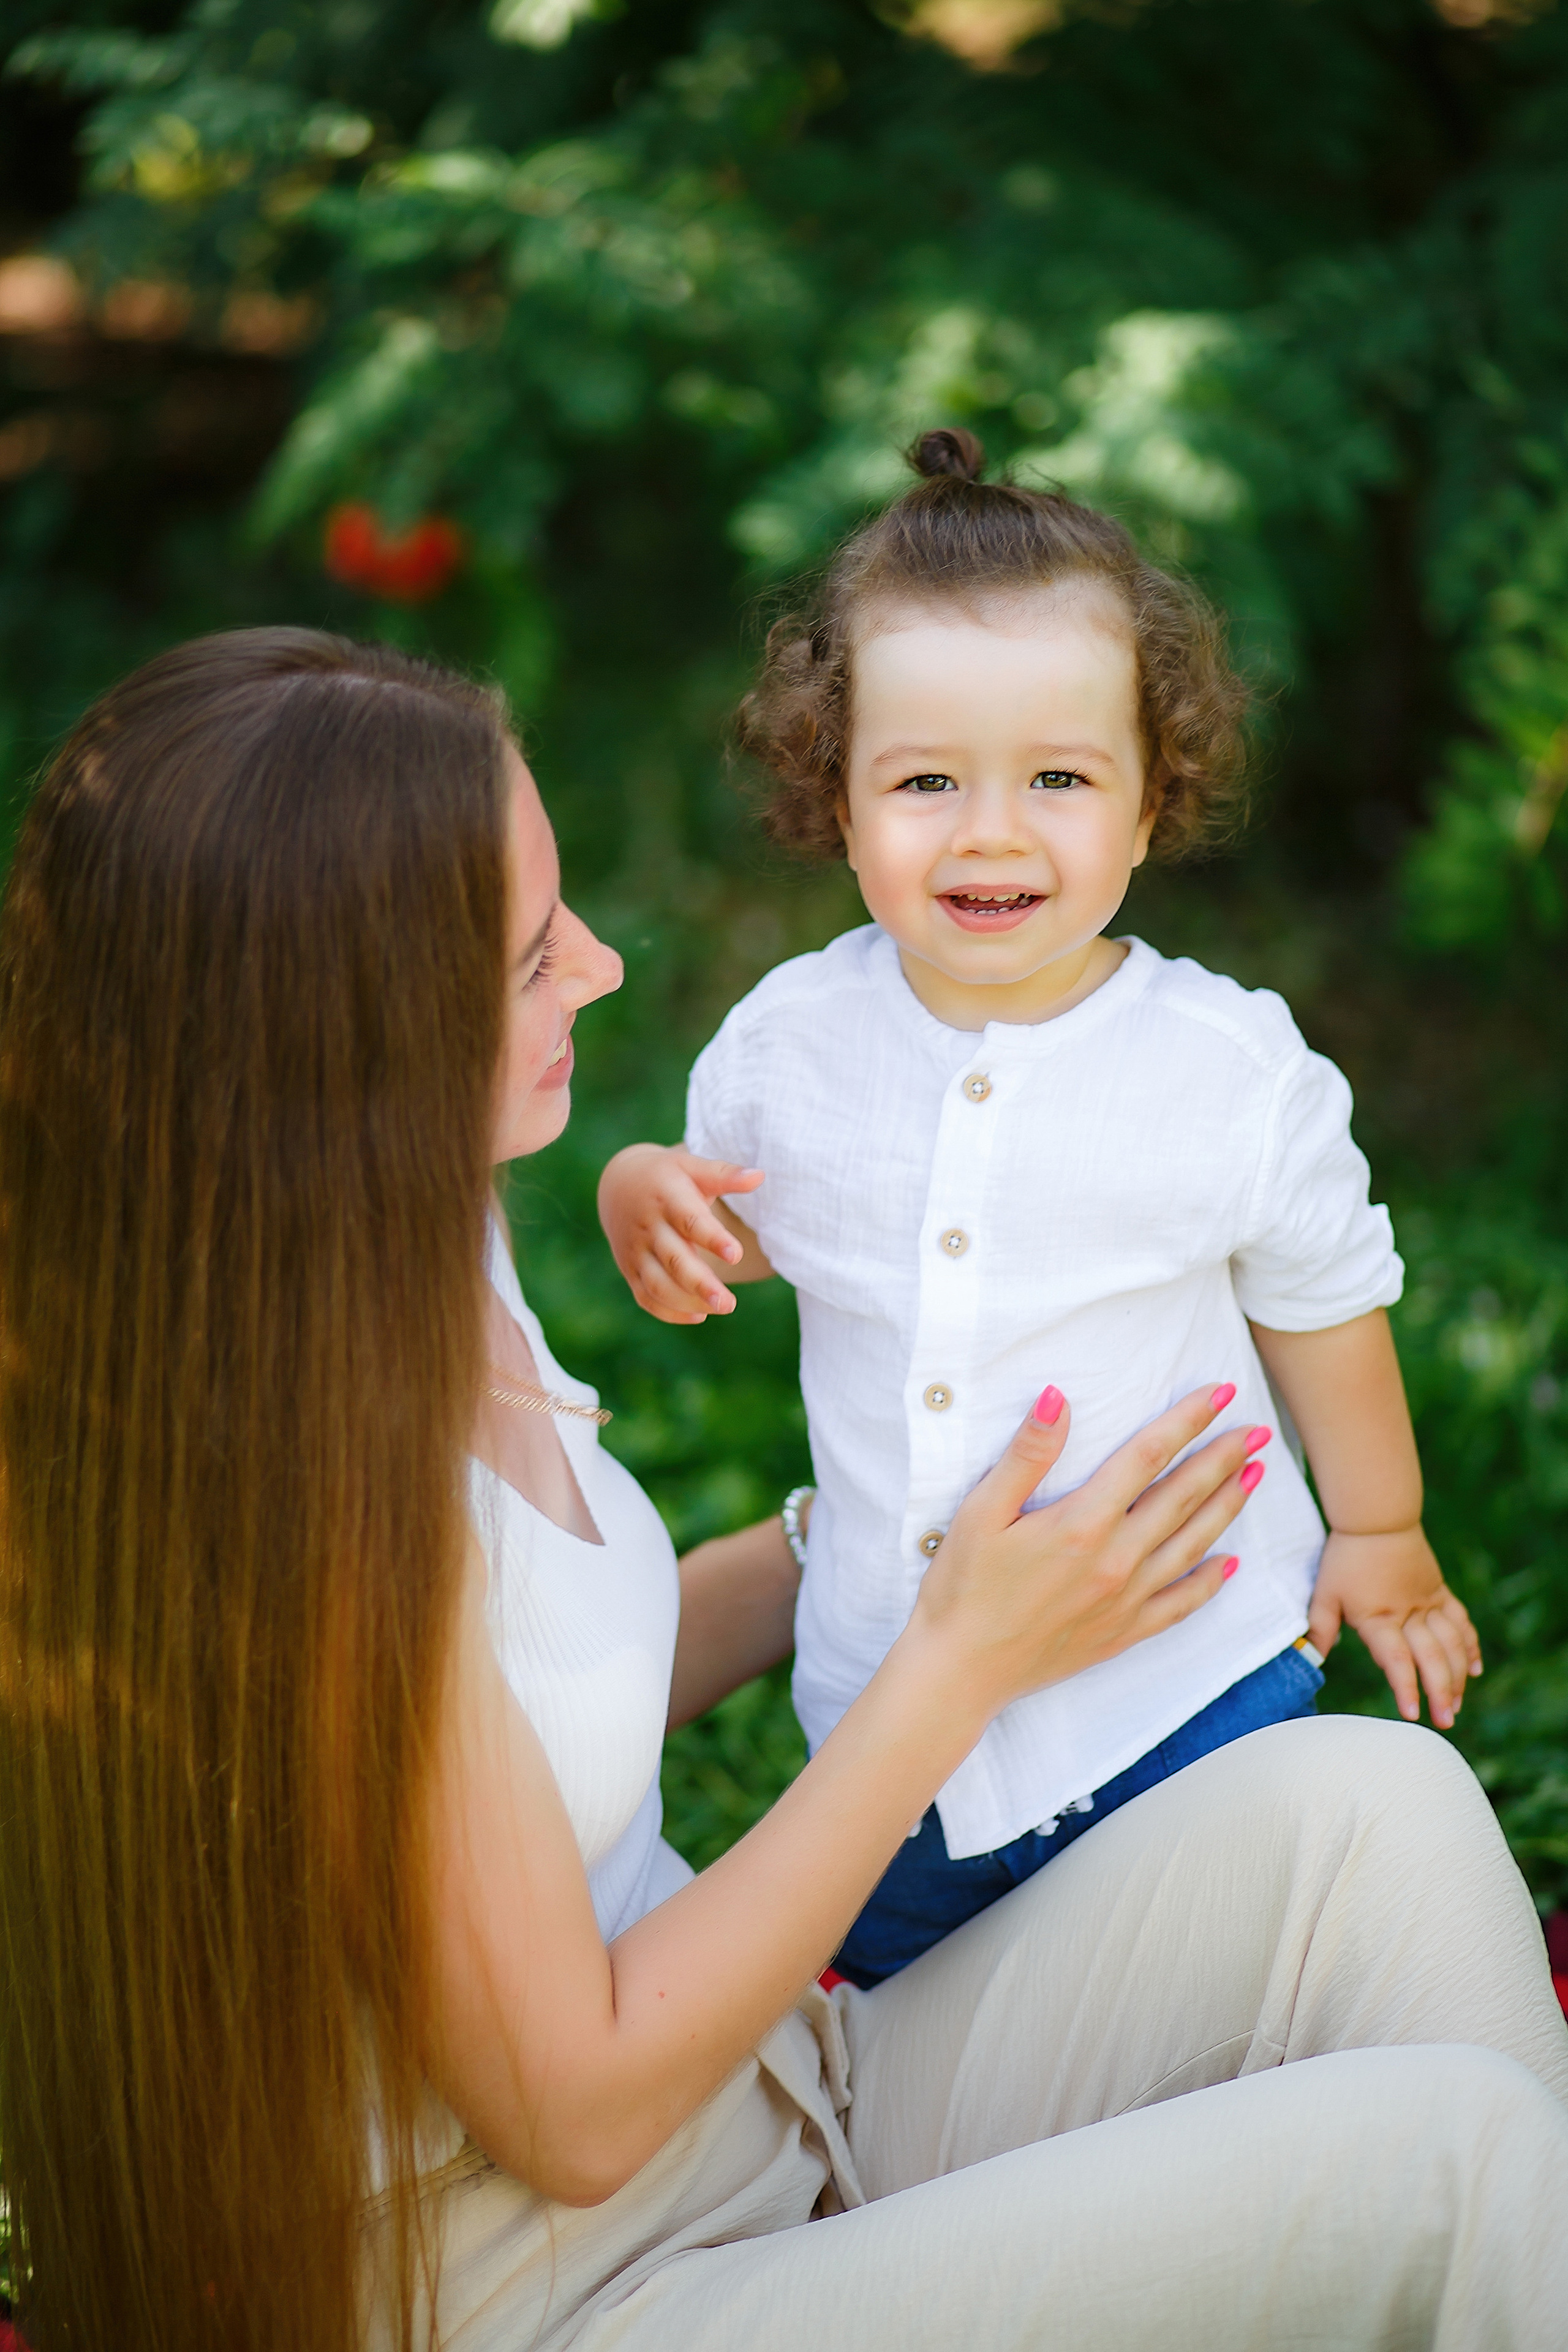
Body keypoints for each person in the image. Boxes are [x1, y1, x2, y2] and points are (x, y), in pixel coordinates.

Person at [0, 629, 1564, 2352]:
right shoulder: (300, 1502)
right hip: (586, 2292)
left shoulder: (413, 1251)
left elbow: (512, 1744)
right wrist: (954, 1663)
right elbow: (573, 2112)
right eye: (529, 962)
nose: (599, 969)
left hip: (776, 2118)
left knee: (1376, 1817)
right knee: (1457, 2163)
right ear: (340, 1043)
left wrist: (874, 1550)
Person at [598, 426, 1482, 1987]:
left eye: (1058, 779)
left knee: (1197, 1998)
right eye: (925, 779)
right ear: (838, 800)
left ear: (1151, 804)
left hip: (1181, 1680)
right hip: (888, 1708)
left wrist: (1382, 1527)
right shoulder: (786, 1044)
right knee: (895, 2010)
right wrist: (641, 1196)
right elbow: (719, 1221)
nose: (990, 830)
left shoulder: (1225, 1068)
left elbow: (1321, 1300)